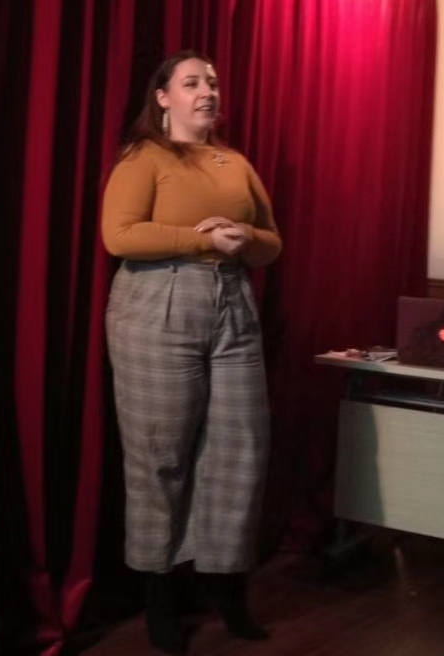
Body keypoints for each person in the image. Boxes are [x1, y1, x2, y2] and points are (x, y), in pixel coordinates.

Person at [100, 51, 282, 654]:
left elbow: (271, 243)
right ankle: (160, 597)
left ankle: (224, 584)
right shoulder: (144, 158)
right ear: (163, 97)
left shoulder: (235, 163)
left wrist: (246, 237)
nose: (208, 91)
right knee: (161, 455)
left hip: (233, 304)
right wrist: (202, 239)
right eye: (192, 83)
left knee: (240, 448)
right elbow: (119, 235)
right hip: (160, 302)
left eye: (213, 83)